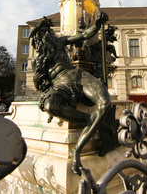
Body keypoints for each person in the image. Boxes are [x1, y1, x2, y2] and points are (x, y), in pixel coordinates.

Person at [30, 12, 111, 175]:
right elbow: (40, 86)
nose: (53, 34)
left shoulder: (60, 43)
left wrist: (96, 24)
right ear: (41, 38)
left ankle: (88, 132)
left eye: (51, 32)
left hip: (79, 76)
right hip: (61, 85)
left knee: (105, 103)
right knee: (50, 106)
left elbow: (83, 35)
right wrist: (38, 80)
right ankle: (89, 128)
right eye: (49, 33)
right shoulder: (37, 61)